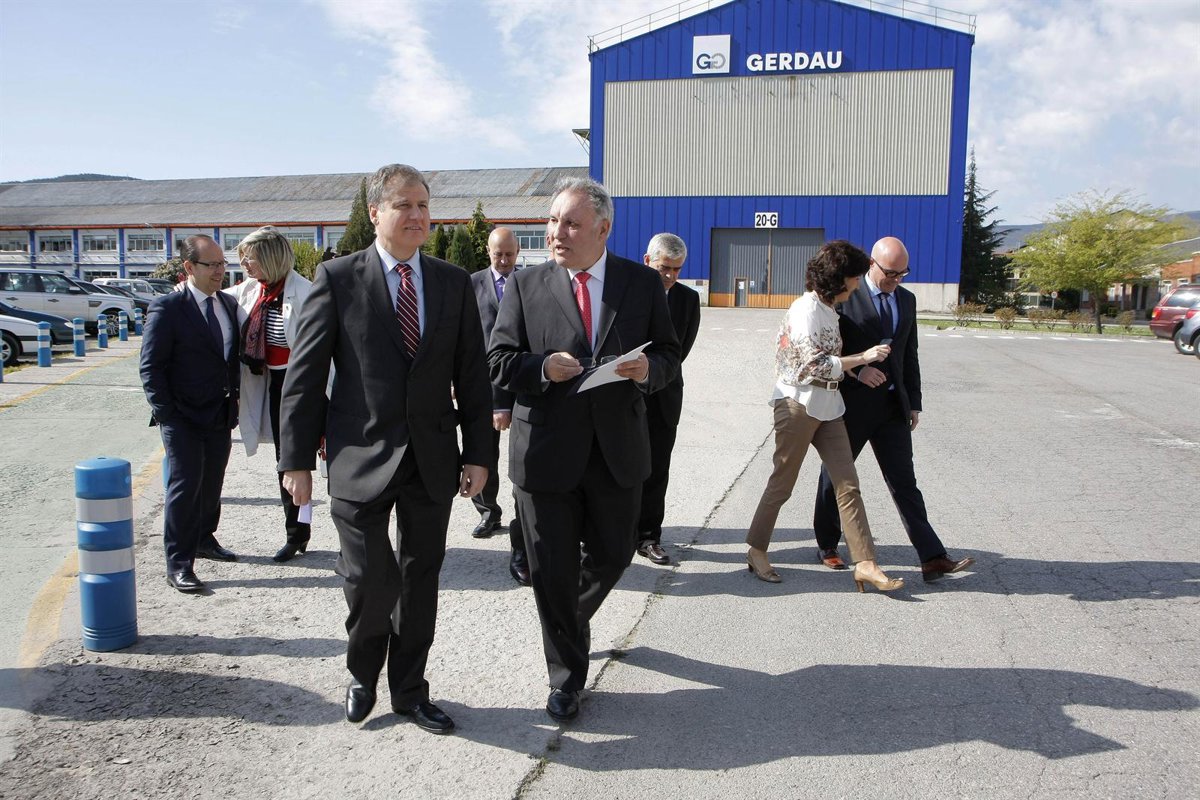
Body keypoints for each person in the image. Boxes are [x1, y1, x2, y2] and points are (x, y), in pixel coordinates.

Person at [277, 163, 493, 732]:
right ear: (375, 212)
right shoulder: (337, 278)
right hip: (359, 456)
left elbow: (473, 375)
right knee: (371, 579)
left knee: (420, 580)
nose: (418, 216)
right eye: (404, 205)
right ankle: (362, 673)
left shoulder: (452, 282)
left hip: (431, 457)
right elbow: (304, 377)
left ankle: (410, 691)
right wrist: (295, 461)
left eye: (424, 205)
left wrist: (478, 454)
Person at [488, 176, 680, 722]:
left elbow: (669, 354)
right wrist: (541, 368)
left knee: (615, 555)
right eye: (553, 221)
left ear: (603, 229)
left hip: (616, 450)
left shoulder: (641, 284)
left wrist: (648, 370)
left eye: (570, 224)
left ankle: (566, 622)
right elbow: (498, 361)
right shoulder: (526, 286)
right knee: (550, 569)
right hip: (546, 451)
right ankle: (567, 678)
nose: (557, 233)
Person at [812, 236, 975, 581]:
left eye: (902, 274)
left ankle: (932, 557)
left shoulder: (907, 300)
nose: (896, 280)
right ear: (872, 264)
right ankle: (827, 545)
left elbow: (908, 354)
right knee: (836, 476)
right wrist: (858, 371)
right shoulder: (847, 296)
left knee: (905, 482)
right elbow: (828, 351)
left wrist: (913, 402)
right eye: (890, 273)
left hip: (892, 408)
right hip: (851, 406)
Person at [745, 240, 903, 593]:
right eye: (855, 278)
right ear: (837, 278)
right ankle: (756, 549)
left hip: (830, 406)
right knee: (782, 484)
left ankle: (866, 563)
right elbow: (813, 364)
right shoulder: (806, 310)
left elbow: (832, 361)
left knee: (848, 485)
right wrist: (863, 358)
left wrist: (855, 367)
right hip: (797, 404)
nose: (858, 284)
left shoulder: (830, 309)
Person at [140, 235, 241, 592]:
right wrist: (167, 413)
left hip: (219, 413)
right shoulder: (168, 308)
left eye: (222, 264)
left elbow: (229, 358)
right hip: (182, 417)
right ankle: (179, 563)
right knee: (185, 487)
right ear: (188, 267)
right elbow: (151, 367)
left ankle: (204, 538)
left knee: (212, 482)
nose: (220, 271)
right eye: (211, 265)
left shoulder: (227, 304)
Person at [224, 226, 314, 563]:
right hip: (274, 384)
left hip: (304, 385)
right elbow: (211, 297)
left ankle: (345, 533)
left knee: (311, 459)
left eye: (250, 258)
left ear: (271, 258)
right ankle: (297, 533)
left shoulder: (305, 293)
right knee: (285, 461)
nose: (244, 265)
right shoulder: (250, 291)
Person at [469, 227, 530, 585]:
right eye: (498, 255)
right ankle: (488, 511)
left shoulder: (530, 284)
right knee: (482, 453)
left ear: (518, 252)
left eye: (510, 254)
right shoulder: (471, 284)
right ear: (488, 252)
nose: (504, 261)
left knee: (523, 459)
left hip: (521, 383)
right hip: (481, 385)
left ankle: (524, 517)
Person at [635, 233, 701, 565]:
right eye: (665, 268)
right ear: (648, 261)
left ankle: (649, 537)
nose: (671, 276)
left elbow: (679, 352)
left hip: (664, 397)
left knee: (656, 470)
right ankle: (614, 532)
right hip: (624, 397)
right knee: (618, 469)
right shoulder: (627, 292)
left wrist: (653, 374)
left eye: (677, 269)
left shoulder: (688, 300)